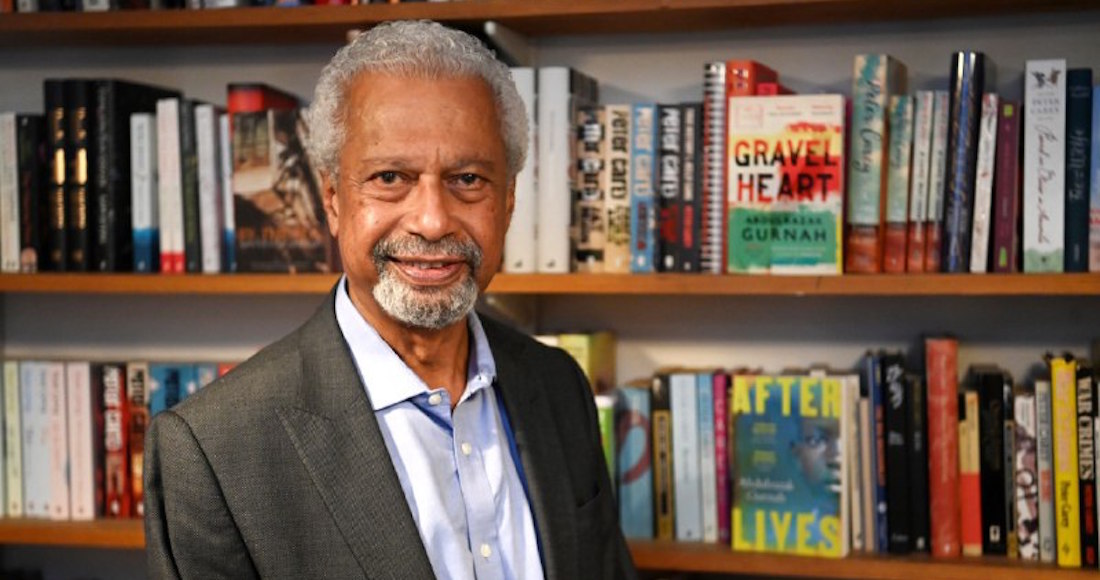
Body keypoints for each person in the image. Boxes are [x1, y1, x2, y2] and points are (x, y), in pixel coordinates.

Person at [143, 19, 636, 580]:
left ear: (508, 201)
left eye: (468, 179)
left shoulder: (558, 384)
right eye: (390, 177)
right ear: (332, 198)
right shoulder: (213, 449)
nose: (432, 220)